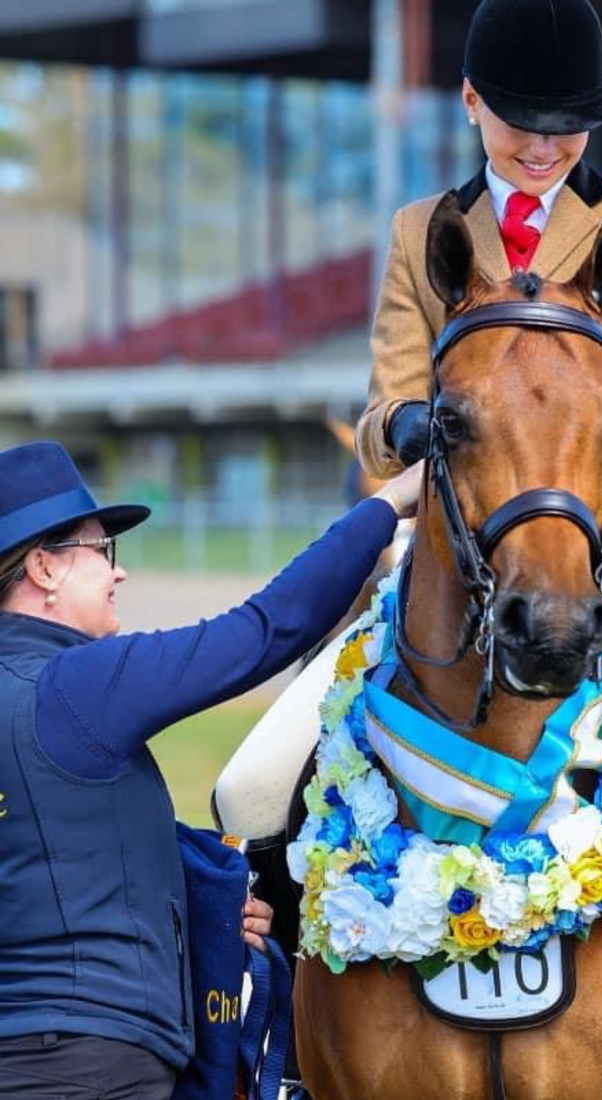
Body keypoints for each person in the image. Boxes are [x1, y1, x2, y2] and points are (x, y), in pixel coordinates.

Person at [0, 440, 420, 1099]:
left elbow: (56, 848)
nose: (119, 575)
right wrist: (389, 505)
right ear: (45, 568)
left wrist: (203, 909)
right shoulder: (75, 684)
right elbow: (266, 629)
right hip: (93, 1062)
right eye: (100, 552)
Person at [355, 0, 602, 566]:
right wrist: (403, 423)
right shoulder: (416, 231)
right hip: (461, 562)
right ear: (472, 100)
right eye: (522, 126)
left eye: (565, 129)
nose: (542, 149)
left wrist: (587, 452)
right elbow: (376, 431)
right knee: (337, 654)